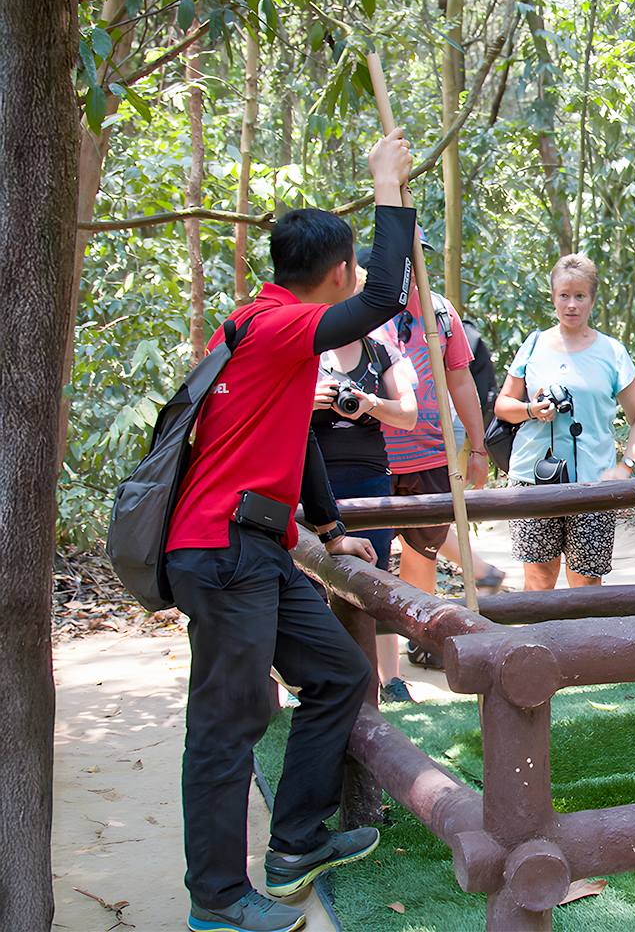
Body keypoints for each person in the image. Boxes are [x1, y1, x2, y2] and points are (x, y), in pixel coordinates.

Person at [163, 130, 414, 932]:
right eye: (351, 270)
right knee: (226, 727)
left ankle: (295, 842)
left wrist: (331, 526)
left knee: (340, 675)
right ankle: (217, 899)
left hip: (258, 547)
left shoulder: (260, 332)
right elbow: (384, 301)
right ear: (337, 271)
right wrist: (387, 186)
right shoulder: (271, 328)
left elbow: (292, 435)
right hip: (222, 551)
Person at [494, 253, 635, 588]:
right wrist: (531, 410)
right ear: (552, 296)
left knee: (586, 586)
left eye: (580, 296)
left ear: (593, 298)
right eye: (564, 295)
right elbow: (503, 405)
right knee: (538, 578)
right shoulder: (534, 345)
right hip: (533, 478)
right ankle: (538, 643)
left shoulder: (612, 352)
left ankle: (581, 643)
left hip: (594, 481)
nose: (571, 305)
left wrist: (626, 465)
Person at [373, 261, 495, 663]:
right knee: (370, 565)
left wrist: (479, 448)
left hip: (429, 456)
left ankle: (420, 643)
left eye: (415, 256)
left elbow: (460, 379)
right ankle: (381, 674)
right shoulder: (363, 310)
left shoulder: (441, 313)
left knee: (420, 555)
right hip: (372, 459)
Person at [311, 270, 419, 704]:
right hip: (315, 481)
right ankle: (326, 682)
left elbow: (409, 415)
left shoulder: (381, 352)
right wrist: (309, 401)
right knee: (315, 583)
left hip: (371, 480)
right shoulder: (308, 351)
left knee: (373, 579)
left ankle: (389, 680)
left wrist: (371, 404)